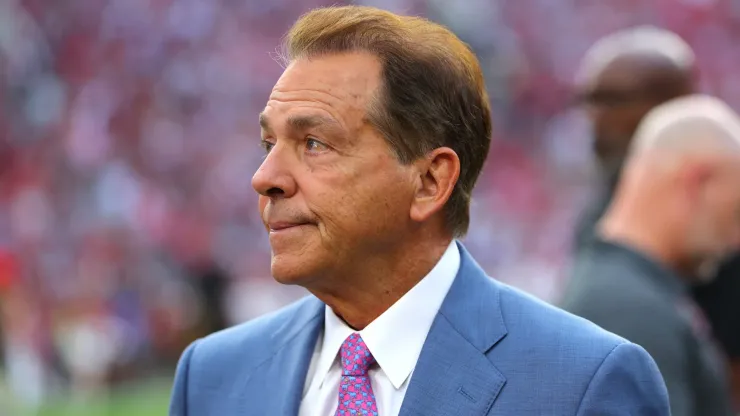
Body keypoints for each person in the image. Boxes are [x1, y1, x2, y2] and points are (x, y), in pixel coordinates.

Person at [170, 6, 669, 415]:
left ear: (430, 182)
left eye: (315, 143)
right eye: (267, 144)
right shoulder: (212, 376)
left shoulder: (584, 382)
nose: (265, 178)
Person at [572, 27, 740, 408]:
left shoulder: (716, 223)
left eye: (615, 100)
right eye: (591, 102)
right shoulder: (622, 285)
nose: (599, 119)